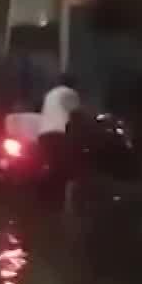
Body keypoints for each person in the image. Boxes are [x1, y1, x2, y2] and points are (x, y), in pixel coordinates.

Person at [38, 73, 81, 202]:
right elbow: (76, 115)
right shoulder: (70, 93)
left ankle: (43, 200)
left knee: (50, 167)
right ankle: (57, 202)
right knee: (62, 170)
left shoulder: (50, 94)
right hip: (59, 135)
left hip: (44, 135)